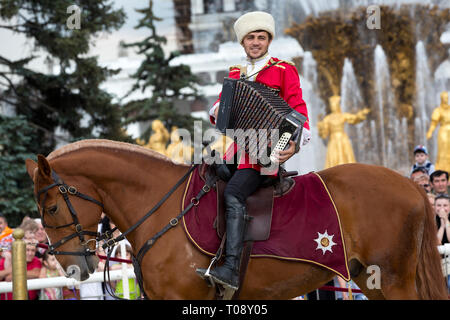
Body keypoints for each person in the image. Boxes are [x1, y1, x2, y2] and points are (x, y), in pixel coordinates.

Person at [199, 11, 310, 291]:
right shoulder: (235, 73)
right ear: (243, 42)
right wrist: (219, 108)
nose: (256, 42)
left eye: (262, 37)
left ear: (269, 40)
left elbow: (298, 111)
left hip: (265, 157)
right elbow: (220, 110)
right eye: (251, 37)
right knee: (206, 173)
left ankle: (231, 269)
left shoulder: (284, 70)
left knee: (235, 192)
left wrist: (292, 144)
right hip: (237, 151)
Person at [317, 95, 370, 168]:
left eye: (335, 105)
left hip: (343, 139)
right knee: (334, 158)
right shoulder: (327, 119)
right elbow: (324, 134)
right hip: (333, 140)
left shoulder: (343, 115)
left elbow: (354, 119)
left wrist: (362, 114)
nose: (333, 107)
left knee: (346, 156)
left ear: (338, 105)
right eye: (332, 105)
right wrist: (321, 126)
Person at [426, 91, 450, 173]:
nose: (446, 100)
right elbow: (434, 123)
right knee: (443, 152)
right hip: (443, 132)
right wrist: (430, 132)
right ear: (441, 99)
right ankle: (443, 171)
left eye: (447, 98)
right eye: (444, 98)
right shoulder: (438, 110)